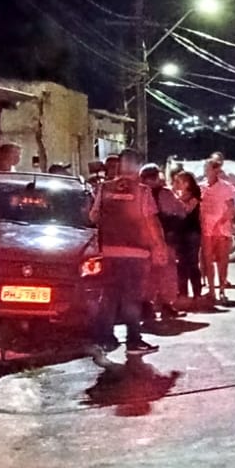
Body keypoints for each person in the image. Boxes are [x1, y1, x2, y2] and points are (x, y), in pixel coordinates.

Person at [91, 149, 163, 356]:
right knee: (131, 298)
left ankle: (104, 339)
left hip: (109, 251)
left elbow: (93, 216)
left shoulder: (103, 188)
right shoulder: (143, 191)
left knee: (109, 296)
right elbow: (150, 222)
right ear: (138, 166)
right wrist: (159, 246)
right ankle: (133, 341)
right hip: (136, 252)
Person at [140, 163, 187, 319]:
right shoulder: (164, 193)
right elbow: (181, 212)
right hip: (163, 239)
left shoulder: (139, 193)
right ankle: (163, 304)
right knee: (165, 273)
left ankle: (148, 306)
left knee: (150, 274)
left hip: (144, 241)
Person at [199, 158, 235, 304]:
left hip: (222, 230)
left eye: (209, 168)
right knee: (207, 261)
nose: (206, 171)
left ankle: (222, 289)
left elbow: (231, 207)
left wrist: (222, 221)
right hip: (206, 229)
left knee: (223, 261)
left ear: (216, 170)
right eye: (205, 168)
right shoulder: (201, 187)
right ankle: (211, 290)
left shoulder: (226, 187)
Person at [171, 170, 204, 304]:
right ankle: (183, 292)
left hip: (192, 233)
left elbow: (186, 210)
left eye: (179, 181)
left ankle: (197, 293)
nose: (176, 184)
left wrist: (176, 200)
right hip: (180, 232)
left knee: (192, 263)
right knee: (181, 264)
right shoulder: (178, 196)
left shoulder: (194, 196)